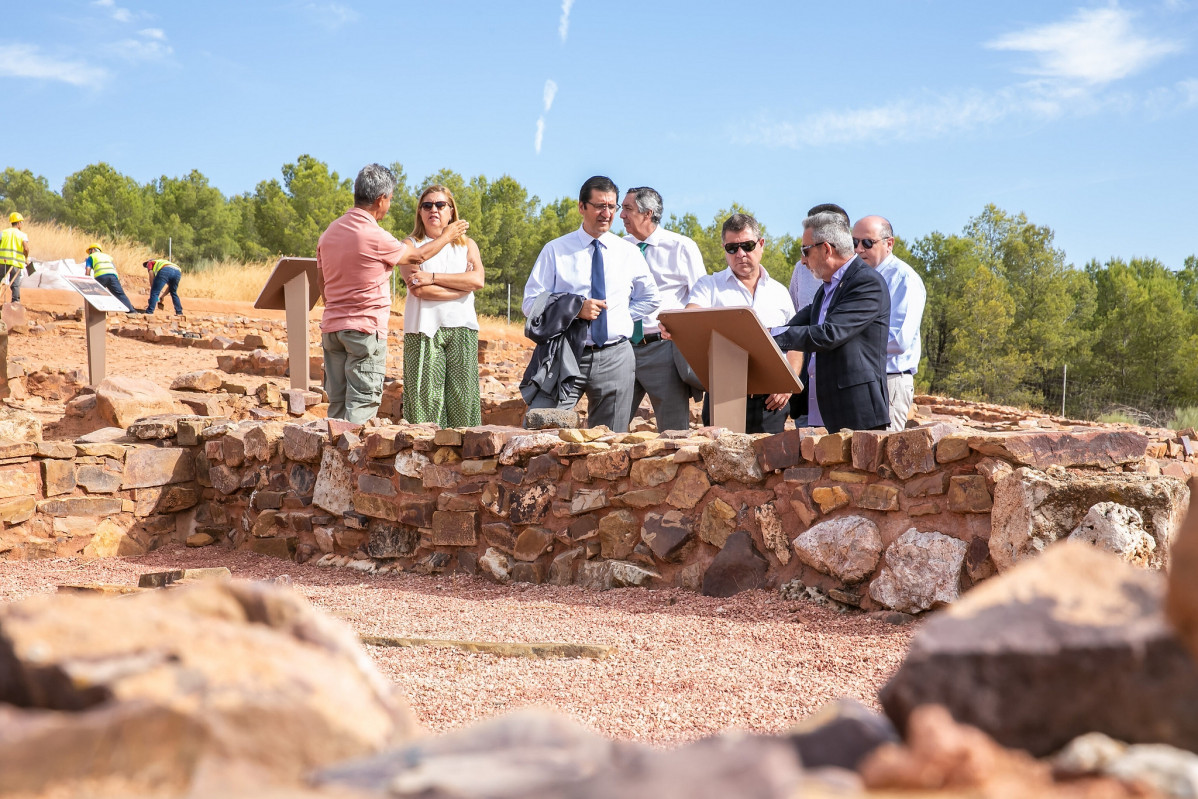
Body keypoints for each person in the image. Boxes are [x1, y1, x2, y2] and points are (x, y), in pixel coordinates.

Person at [318, 163, 467, 424]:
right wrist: (447, 235)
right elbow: (418, 255)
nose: (389, 205)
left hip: (332, 330)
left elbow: (324, 289)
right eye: (390, 199)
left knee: (337, 407)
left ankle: (330, 463)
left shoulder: (329, 233)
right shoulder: (376, 236)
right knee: (361, 408)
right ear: (380, 199)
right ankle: (351, 464)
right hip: (364, 331)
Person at [521, 176, 660, 432]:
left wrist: (619, 316)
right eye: (599, 206)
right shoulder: (555, 250)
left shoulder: (628, 252)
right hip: (565, 353)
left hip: (616, 357)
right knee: (539, 430)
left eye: (612, 207)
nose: (606, 213)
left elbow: (651, 298)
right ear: (581, 207)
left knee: (611, 445)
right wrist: (575, 310)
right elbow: (530, 304)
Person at [681, 213, 799, 434]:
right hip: (724, 395)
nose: (740, 254)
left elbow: (795, 343)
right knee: (719, 464)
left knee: (770, 467)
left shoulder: (780, 292)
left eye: (747, 245)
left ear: (761, 244)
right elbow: (692, 317)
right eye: (732, 248)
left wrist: (788, 384)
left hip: (771, 400)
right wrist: (677, 326)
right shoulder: (709, 286)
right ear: (724, 248)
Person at [773, 212, 890, 432]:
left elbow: (829, 334)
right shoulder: (827, 286)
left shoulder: (866, 283)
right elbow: (798, 324)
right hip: (820, 414)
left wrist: (773, 337)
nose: (803, 260)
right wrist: (763, 333)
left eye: (805, 250)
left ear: (826, 249)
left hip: (855, 416)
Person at [620, 186, 705, 432]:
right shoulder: (616, 249)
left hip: (664, 350)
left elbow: (702, 296)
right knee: (607, 426)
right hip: (621, 349)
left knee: (673, 431)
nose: (621, 215)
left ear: (647, 214)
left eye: (627, 209)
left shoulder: (682, 247)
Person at [401, 184, 485, 427]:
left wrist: (433, 277)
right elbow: (419, 289)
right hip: (423, 329)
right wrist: (461, 288)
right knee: (424, 404)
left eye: (440, 205)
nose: (433, 210)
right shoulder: (409, 246)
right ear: (419, 212)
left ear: (451, 211)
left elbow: (477, 280)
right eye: (427, 205)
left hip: (463, 328)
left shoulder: (467, 245)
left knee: (463, 404)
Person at [851, 215, 926, 431]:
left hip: (889, 380)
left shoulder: (904, 279)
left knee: (882, 458)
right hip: (862, 380)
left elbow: (898, 340)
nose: (858, 249)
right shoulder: (857, 277)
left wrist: (848, 344)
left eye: (867, 242)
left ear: (889, 244)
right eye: (854, 242)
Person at [789, 203, 849, 426]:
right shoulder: (800, 270)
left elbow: (832, 333)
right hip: (806, 390)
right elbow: (797, 319)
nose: (805, 259)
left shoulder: (862, 278)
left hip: (841, 393)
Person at [84, 243, 137, 313]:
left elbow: (88, 270)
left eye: (90, 251)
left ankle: (93, 311)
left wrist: (87, 279)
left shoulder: (91, 257)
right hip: (113, 276)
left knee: (94, 293)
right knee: (120, 294)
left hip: (101, 276)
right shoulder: (107, 256)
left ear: (93, 250)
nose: (89, 253)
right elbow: (114, 268)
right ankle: (131, 311)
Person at [0, 212, 29, 303]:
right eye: (22, 222)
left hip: (3, 262)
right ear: (19, 223)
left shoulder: (3, 233)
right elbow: (26, 248)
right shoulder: (22, 235)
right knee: (15, 284)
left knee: (0, 281)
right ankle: (15, 302)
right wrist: (26, 258)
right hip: (16, 264)